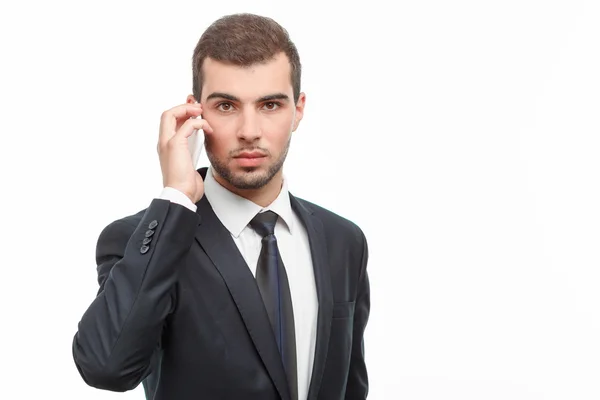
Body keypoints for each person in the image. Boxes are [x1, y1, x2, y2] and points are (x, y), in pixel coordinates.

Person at [72, 12, 370, 400]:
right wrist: (176, 198)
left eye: (270, 105)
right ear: (196, 112)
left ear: (298, 109)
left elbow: (350, 387)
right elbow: (105, 367)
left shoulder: (342, 240)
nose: (249, 131)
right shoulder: (143, 238)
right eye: (227, 106)